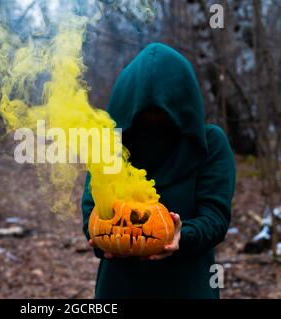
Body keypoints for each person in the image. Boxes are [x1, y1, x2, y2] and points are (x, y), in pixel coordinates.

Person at [81, 43, 236, 299]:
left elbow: (215, 217)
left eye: (162, 116)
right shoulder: (109, 145)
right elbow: (93, 210)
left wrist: (181, 236)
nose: (153, 125)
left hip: (188, 287)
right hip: (120, 289)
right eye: (144, 117)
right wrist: (101, 237)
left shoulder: (210, 144)